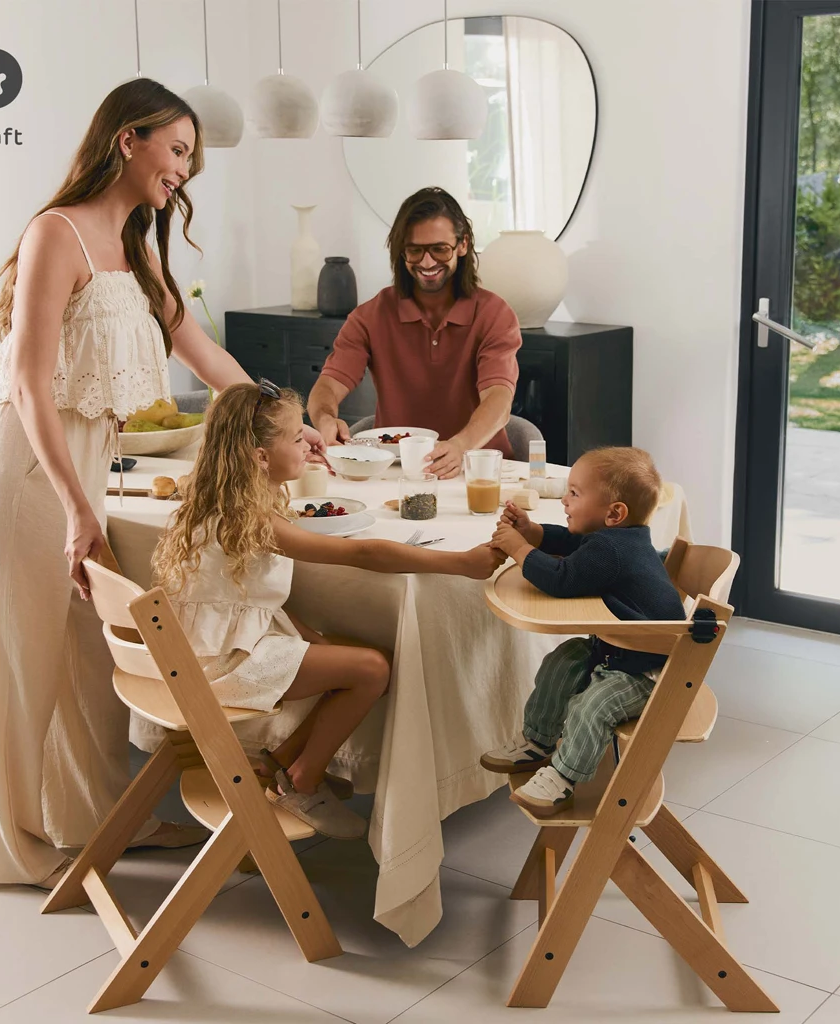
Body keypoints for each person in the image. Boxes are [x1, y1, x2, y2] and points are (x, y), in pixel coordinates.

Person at [0, 79, 323, 886]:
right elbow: (29, 385)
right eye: (177, 150)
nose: (184, 171)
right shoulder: (56, 233)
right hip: (21, 471)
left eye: (191, 158)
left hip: (75, 472)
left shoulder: (136, 249)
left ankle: (95, 820)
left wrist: (286, 424)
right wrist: (76, 508)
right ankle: (9, 851)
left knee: (86, 663)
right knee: (18, 665)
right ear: (129, 139)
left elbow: (207, 355)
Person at [151, 380, 506, 838]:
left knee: (353, 652)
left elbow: (246, 599)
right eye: (296, 438)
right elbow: (362, 554)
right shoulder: (251, 518)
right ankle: (303, 780)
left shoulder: (219, 501)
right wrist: (459, 563)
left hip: (201, 652)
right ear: (260, 457)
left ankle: (281, 763)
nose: (308, 444)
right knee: (372, 669)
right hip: (219, 666)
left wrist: (309, 636)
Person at [481, 447, 686, 814]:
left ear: (614, 514)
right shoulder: (618, 539)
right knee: (561, 662)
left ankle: (563, 778)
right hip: (619, 651)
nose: (565, 500)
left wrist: (519, 548)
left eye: (574, 493)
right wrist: (533, 532)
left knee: (592, 705)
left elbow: (562, 580)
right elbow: (573, 542)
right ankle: (538, 742)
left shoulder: (613, 549)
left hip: (650, 672)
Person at [307, 187, 522, 478]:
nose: (427, 262)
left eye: (440, 249)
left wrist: (460, 446)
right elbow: (329, 385)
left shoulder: (494, 314)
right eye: (415, 250)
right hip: (397, 473)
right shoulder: (370, 316)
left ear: (462, 244)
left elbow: (498, 398)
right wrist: (324, 418)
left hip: (478, 470)